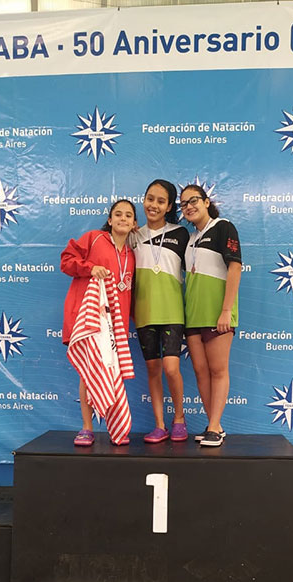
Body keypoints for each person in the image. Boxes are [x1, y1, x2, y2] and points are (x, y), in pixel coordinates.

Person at [61, 199, 136, 446]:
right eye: (118, 214)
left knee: (112, 372)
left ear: (134, 224)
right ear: (110, 220)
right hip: (89, 318)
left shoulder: (132, 255)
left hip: (116, 326)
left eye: (128, 215)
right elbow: (66, 260)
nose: (123, 218)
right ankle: (87, 427)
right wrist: (90, 268)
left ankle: (116, 428)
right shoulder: (94, 238)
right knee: (88, 371)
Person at [180, 184, 242, 447]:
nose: (188, 206)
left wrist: (226, 311)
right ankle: (213, 425)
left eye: (193, 200)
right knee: (200, 372)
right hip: (193, 315)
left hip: (218, 314)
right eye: (183, 204)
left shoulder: (223, 226)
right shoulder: (191, 238)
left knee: (218, 370)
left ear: (206, 202)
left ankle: (214, 426)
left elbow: (235, 268)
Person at [133, 180, 189, 443]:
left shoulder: (181, 234)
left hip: (172, 311)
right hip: (144, 312)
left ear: (168, 207)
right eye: (150, 198)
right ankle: (159, 425)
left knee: (170, 367)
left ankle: (179, 418)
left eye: (160, 201)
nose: (153, 205)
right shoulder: (133, 235)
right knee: (153, 369)